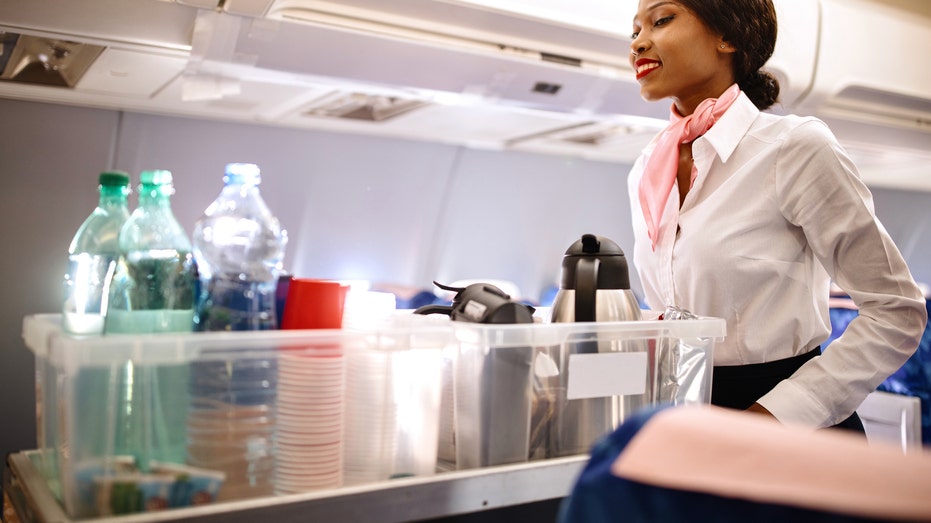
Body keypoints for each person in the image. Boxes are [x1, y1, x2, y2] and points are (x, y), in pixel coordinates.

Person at [627, 0, 928, 430]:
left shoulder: (794, 148)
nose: (638, 42)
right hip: (692, 419)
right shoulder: (646, 169)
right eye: (634, 30)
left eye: (661, 20)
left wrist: (775, 416)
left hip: (791, 424)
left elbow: (896, 311)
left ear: (727, 36)